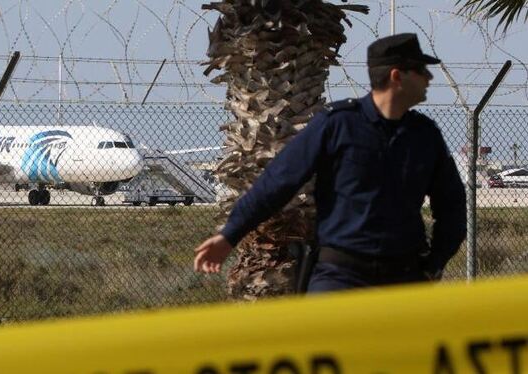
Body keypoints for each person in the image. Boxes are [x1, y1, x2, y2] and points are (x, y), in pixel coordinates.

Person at [193, 33, 466, 293]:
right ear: (397, 76)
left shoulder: (424, 135)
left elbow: (452, 204)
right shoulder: (338, 125)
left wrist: (434, 264)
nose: (429, 78)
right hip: (342, 276)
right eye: (421, 70)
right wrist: (230, 235)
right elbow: (278, 182)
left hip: (404, 277)